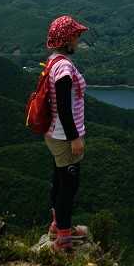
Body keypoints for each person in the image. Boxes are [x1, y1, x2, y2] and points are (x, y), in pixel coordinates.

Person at [44, 15, 89, 252]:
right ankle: (63, 239)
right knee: (68, 187)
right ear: (67, 39)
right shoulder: (63, 67)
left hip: (55, 133)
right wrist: (75, 138)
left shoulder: (54, 60)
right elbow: (63, 106)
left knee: (60, 181)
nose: (78, 40)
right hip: (64, 137)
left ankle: (58, 226)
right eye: (76, 36)